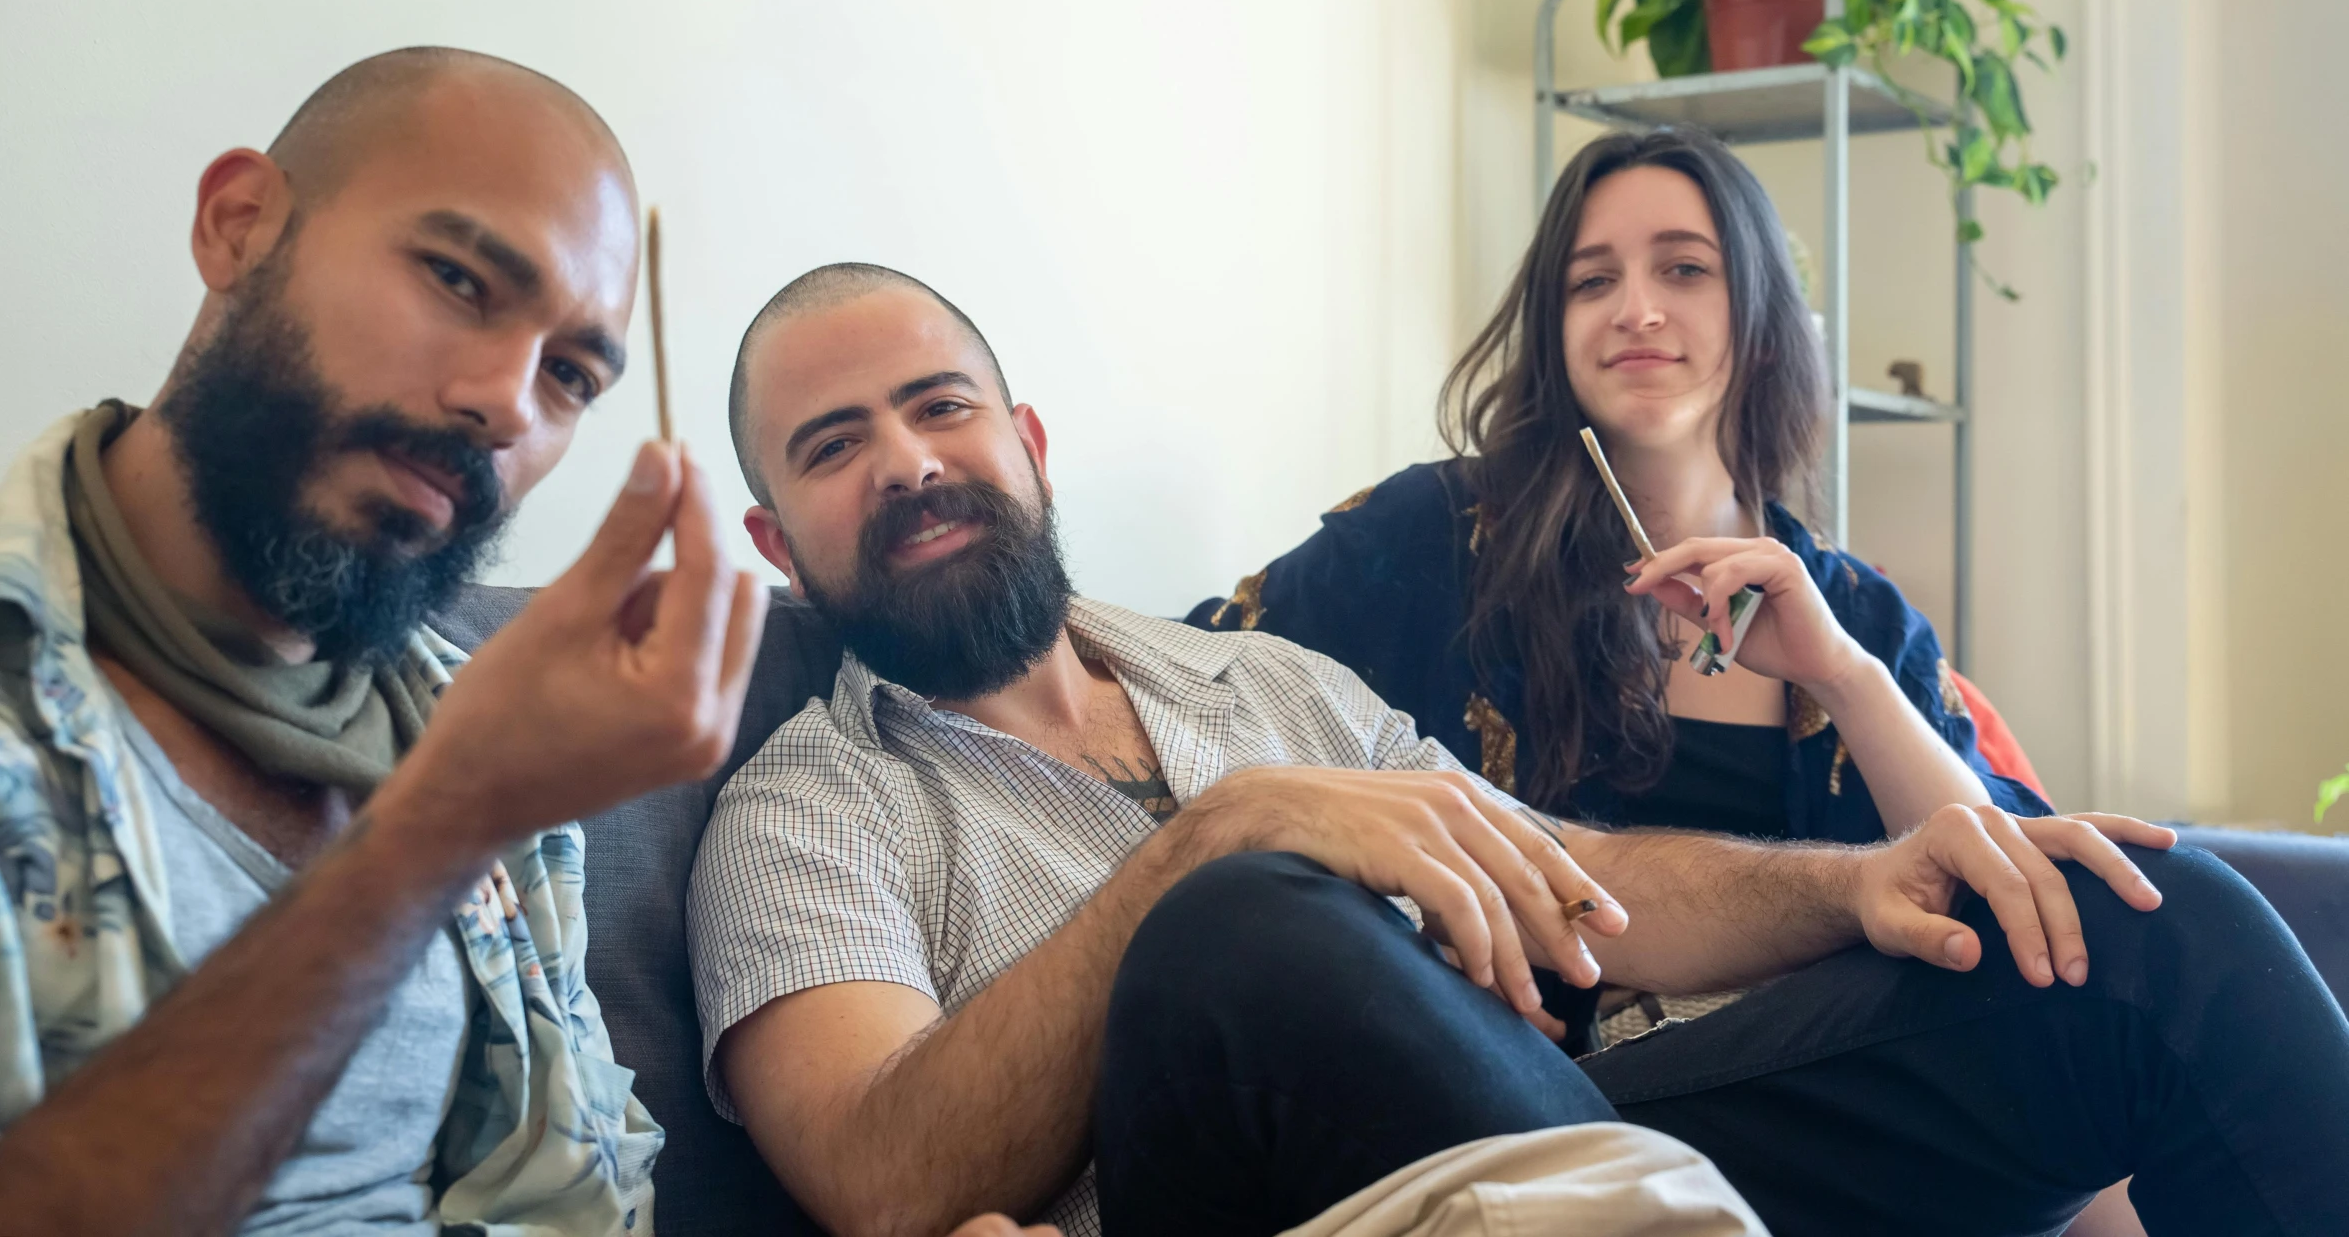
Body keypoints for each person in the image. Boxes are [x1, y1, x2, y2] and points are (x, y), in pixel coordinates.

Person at [689, 261, 2349, 1237]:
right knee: (1243, 920)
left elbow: (1582, 881)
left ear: (1029, 443)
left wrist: (1865, 882)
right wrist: (1217, 838)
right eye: (838, 445)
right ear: (776, 537)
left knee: (2150, 921)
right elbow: (884, 1169)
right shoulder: (800, 808)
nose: (907, 461)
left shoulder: (1257, 680)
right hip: (1293, 1205)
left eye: (940, 405)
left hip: (1567, 1125)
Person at [0, 48, 774, 1235]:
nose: (510, 404)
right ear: (239, 224)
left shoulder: (490, 737)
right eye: (460, 279)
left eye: (570, 374)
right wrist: (443, 822)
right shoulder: (485, 767)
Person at [1190, 127, 2041, 851]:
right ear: (1554, 334)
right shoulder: (1426, 537)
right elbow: (1187, 682)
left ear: (1767, 330)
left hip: (1822, 1048)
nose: (1636, 309)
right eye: (1592, 281)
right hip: (1506, 1048)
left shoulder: (1862, 618)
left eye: (1685, 270)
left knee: (2176, 877)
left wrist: (1847, 678)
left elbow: (2013, 886)